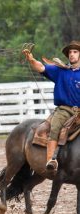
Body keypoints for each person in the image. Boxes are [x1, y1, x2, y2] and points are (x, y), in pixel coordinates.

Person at [22, 40, 80, 174]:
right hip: (64, 110)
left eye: (75, 52)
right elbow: (41, 67)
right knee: (55, 127)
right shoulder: (60, 71)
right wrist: (31, 60)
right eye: (70, 52)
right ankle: (51, 161)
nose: (72, 54)